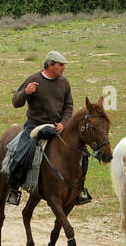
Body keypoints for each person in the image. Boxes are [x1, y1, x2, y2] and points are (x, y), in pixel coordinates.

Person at [6, 51, 91, 207]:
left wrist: (64, 123)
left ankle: (79, 190)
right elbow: (15, 102)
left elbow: (68, 106)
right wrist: (25, 93)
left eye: (64, 65)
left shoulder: (64, 82)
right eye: (61, 64)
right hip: (34, 126)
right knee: (21, 154)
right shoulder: (33, 80)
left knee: (82, 154)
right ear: (50, 64)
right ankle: (14, 189)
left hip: (57, 127)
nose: (63, 68)